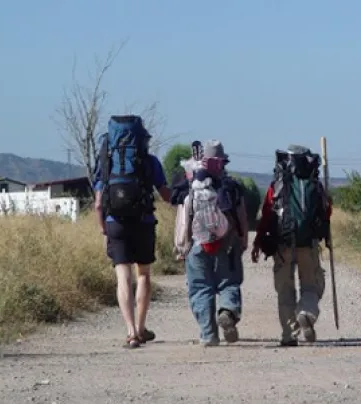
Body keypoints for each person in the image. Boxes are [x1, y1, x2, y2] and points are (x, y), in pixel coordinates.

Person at [93, 115, 171, 349]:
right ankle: (140, 327)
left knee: (122, 275)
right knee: (144, 274)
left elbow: (98, 202)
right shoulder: (150, 161)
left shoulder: (106, 162)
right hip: (144, 221)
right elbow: (166, 195)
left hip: (114, 221)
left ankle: (129, 332)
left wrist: (102, 227)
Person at [251, 144, 333, 346]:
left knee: (285, 291)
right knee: (312, 286)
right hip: (309, 244)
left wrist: (258, 242)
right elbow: (326, 213)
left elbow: (267, 214)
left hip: (283, 244)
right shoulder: (315, 185)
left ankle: (289, 334)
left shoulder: (277, 185)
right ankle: (306, 312)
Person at [173, 140, 249, 346]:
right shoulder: (230, 187)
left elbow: (184, 219)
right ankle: (227, 311)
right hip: (227, 243)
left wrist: (183, 246)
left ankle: (208, 334)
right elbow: (241, 216)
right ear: (222, 162)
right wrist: (243, 240)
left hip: (197, 244)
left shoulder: (190, 187)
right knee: (229, 283)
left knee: (200, 288)